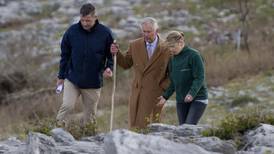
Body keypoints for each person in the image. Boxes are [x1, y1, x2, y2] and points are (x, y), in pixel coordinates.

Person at [56, 3, 113, 127]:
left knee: (90, 115)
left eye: (88, 20)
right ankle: (56, 133)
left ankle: (88, 137)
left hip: (93, 82)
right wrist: (61, 77)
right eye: (82, 20)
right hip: (73, 79)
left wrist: (109, 67)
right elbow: (64, 55)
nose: (85, 23)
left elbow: (111, 55)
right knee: (67, 106)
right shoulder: (71, 31)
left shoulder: (105, 33)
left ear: (95, 17)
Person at [111, 17, 170, 129]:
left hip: (156, 94)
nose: (146, 34)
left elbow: (172, 73)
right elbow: (126, 64)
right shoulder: (135, 45)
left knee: (153, 126)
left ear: (156, 31)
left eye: (149, 32)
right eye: (144, 31)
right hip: (138, 92)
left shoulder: (166, 48)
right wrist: (117, 53)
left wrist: (163, 87)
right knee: (136, 125)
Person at [157, 31, 208, 125]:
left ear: (180, 43)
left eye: (172, 46)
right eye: (168, 48)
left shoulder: (194, 55)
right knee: (182, 129)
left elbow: (200, 77)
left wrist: (191, 94)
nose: (170, 50)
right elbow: (173, 81)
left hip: (198, 98)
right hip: (181, 100)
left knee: (188, 127)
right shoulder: (172, 59)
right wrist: (165, 96)